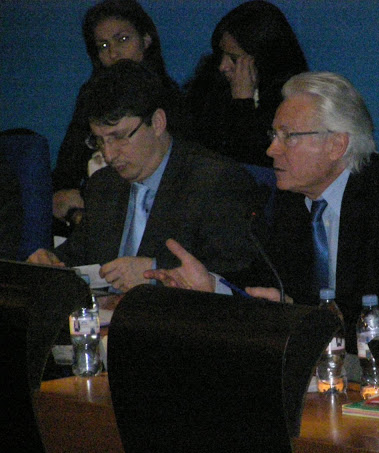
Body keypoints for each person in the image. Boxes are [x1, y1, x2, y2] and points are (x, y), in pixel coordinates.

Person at [147, 72, 379, 348]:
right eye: (273, 135)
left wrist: (304, 317)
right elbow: (267, 286)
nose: (272, 150)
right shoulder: (289, 201)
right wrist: (213, 287)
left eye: (288, 136)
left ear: (336, 145)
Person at [28, 60, 257, 293]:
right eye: (99, 140)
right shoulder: (104, 184)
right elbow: (77, 257)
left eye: (118, 137)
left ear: (157, 123)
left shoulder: (215, 181)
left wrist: (156, 271)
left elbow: (236, 273)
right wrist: (49, 262)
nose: (108, 154)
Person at [52, 0, 183, 236]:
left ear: (146, 40)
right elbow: (67, 169)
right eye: (103, 46)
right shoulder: (91, 97)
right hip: (89, 211)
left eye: (122, 39)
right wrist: (64, 195)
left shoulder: (168, 99)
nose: (113, 53)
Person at [183, 0, 308, 167]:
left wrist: (242, 104)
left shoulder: (293, 96)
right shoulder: (209, 82)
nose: (223, 66)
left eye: (234, 59)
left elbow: (260, 158)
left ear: (263, 57)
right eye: (221, 54)